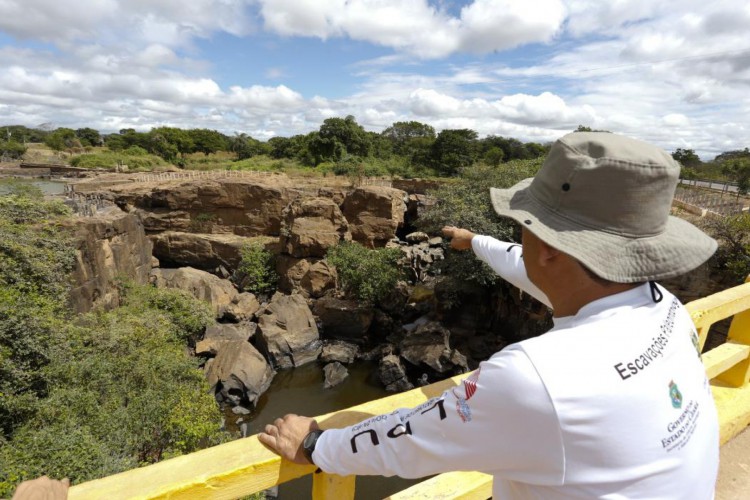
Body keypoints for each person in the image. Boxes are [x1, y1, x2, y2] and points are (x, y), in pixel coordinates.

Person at [259, 132, 720, 498]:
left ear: (554, 251)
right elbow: (531, 268)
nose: (521, 235)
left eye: (527, 227)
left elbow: (410, 441)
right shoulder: (664, 307)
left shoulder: (537, 378)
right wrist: (474, 240)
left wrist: (316, 444)